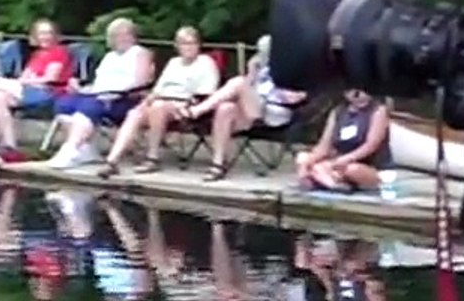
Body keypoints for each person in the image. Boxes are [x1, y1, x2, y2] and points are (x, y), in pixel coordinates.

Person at [179, 34, 306, 181]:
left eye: (266, 52)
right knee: (225, 108)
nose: (263, 55)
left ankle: (196, 111)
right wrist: (252, 72)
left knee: (238, 82)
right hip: (254, 110)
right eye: (262, 52)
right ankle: (218, 163)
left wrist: (278, 93)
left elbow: (300, 96)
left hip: (275, 111)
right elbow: (250, 87)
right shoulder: (261, 66)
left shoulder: (294, 68)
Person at [96, 26, 219, 178]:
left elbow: (205, 94)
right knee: (135, 113)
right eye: (183, 43)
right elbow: (158, 89)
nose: (188, 47)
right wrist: (145, 102)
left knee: (158, 107)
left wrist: (177, 103)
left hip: (185, 107)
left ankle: (152, 158)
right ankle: (112, 161)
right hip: (162, 102)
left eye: (192, 43)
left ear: (198, 45)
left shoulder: (205, 63)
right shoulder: (173, 63)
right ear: (177, 46)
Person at [46, 17, 154, 169]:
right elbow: (100, 80)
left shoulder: (140, 53)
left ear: (133, 36)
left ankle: (69, 150)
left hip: (123, 98)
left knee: (88, 108)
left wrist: (115, 91)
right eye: (117, 35)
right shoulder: (109, 56)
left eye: (126, 34)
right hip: (98, 94)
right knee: (64, 103)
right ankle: (85, 148)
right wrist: (84, 88)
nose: (121, 38)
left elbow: (141, 81)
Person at [0, 18, 73, 159]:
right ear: (35, 36)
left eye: (48, 33)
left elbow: (50, 78)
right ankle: (10, 146)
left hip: (49, 93)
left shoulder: (59, 52)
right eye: (41, 33)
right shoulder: (37, 55)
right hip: (31, 91)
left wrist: (28, 81)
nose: (45, 37)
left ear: (55, 35)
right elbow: (24, 77)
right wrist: (27, 81)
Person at [296, 89, 391, 191]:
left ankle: (327, 181)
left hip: (368, 164)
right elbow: (324, 146)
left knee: (352, 170)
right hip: (338, 163)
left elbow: (371, 144)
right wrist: (306, 163)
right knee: (305, 160)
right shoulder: (338, 111)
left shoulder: (378, 110)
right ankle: (334, 184)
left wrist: (347, 158)